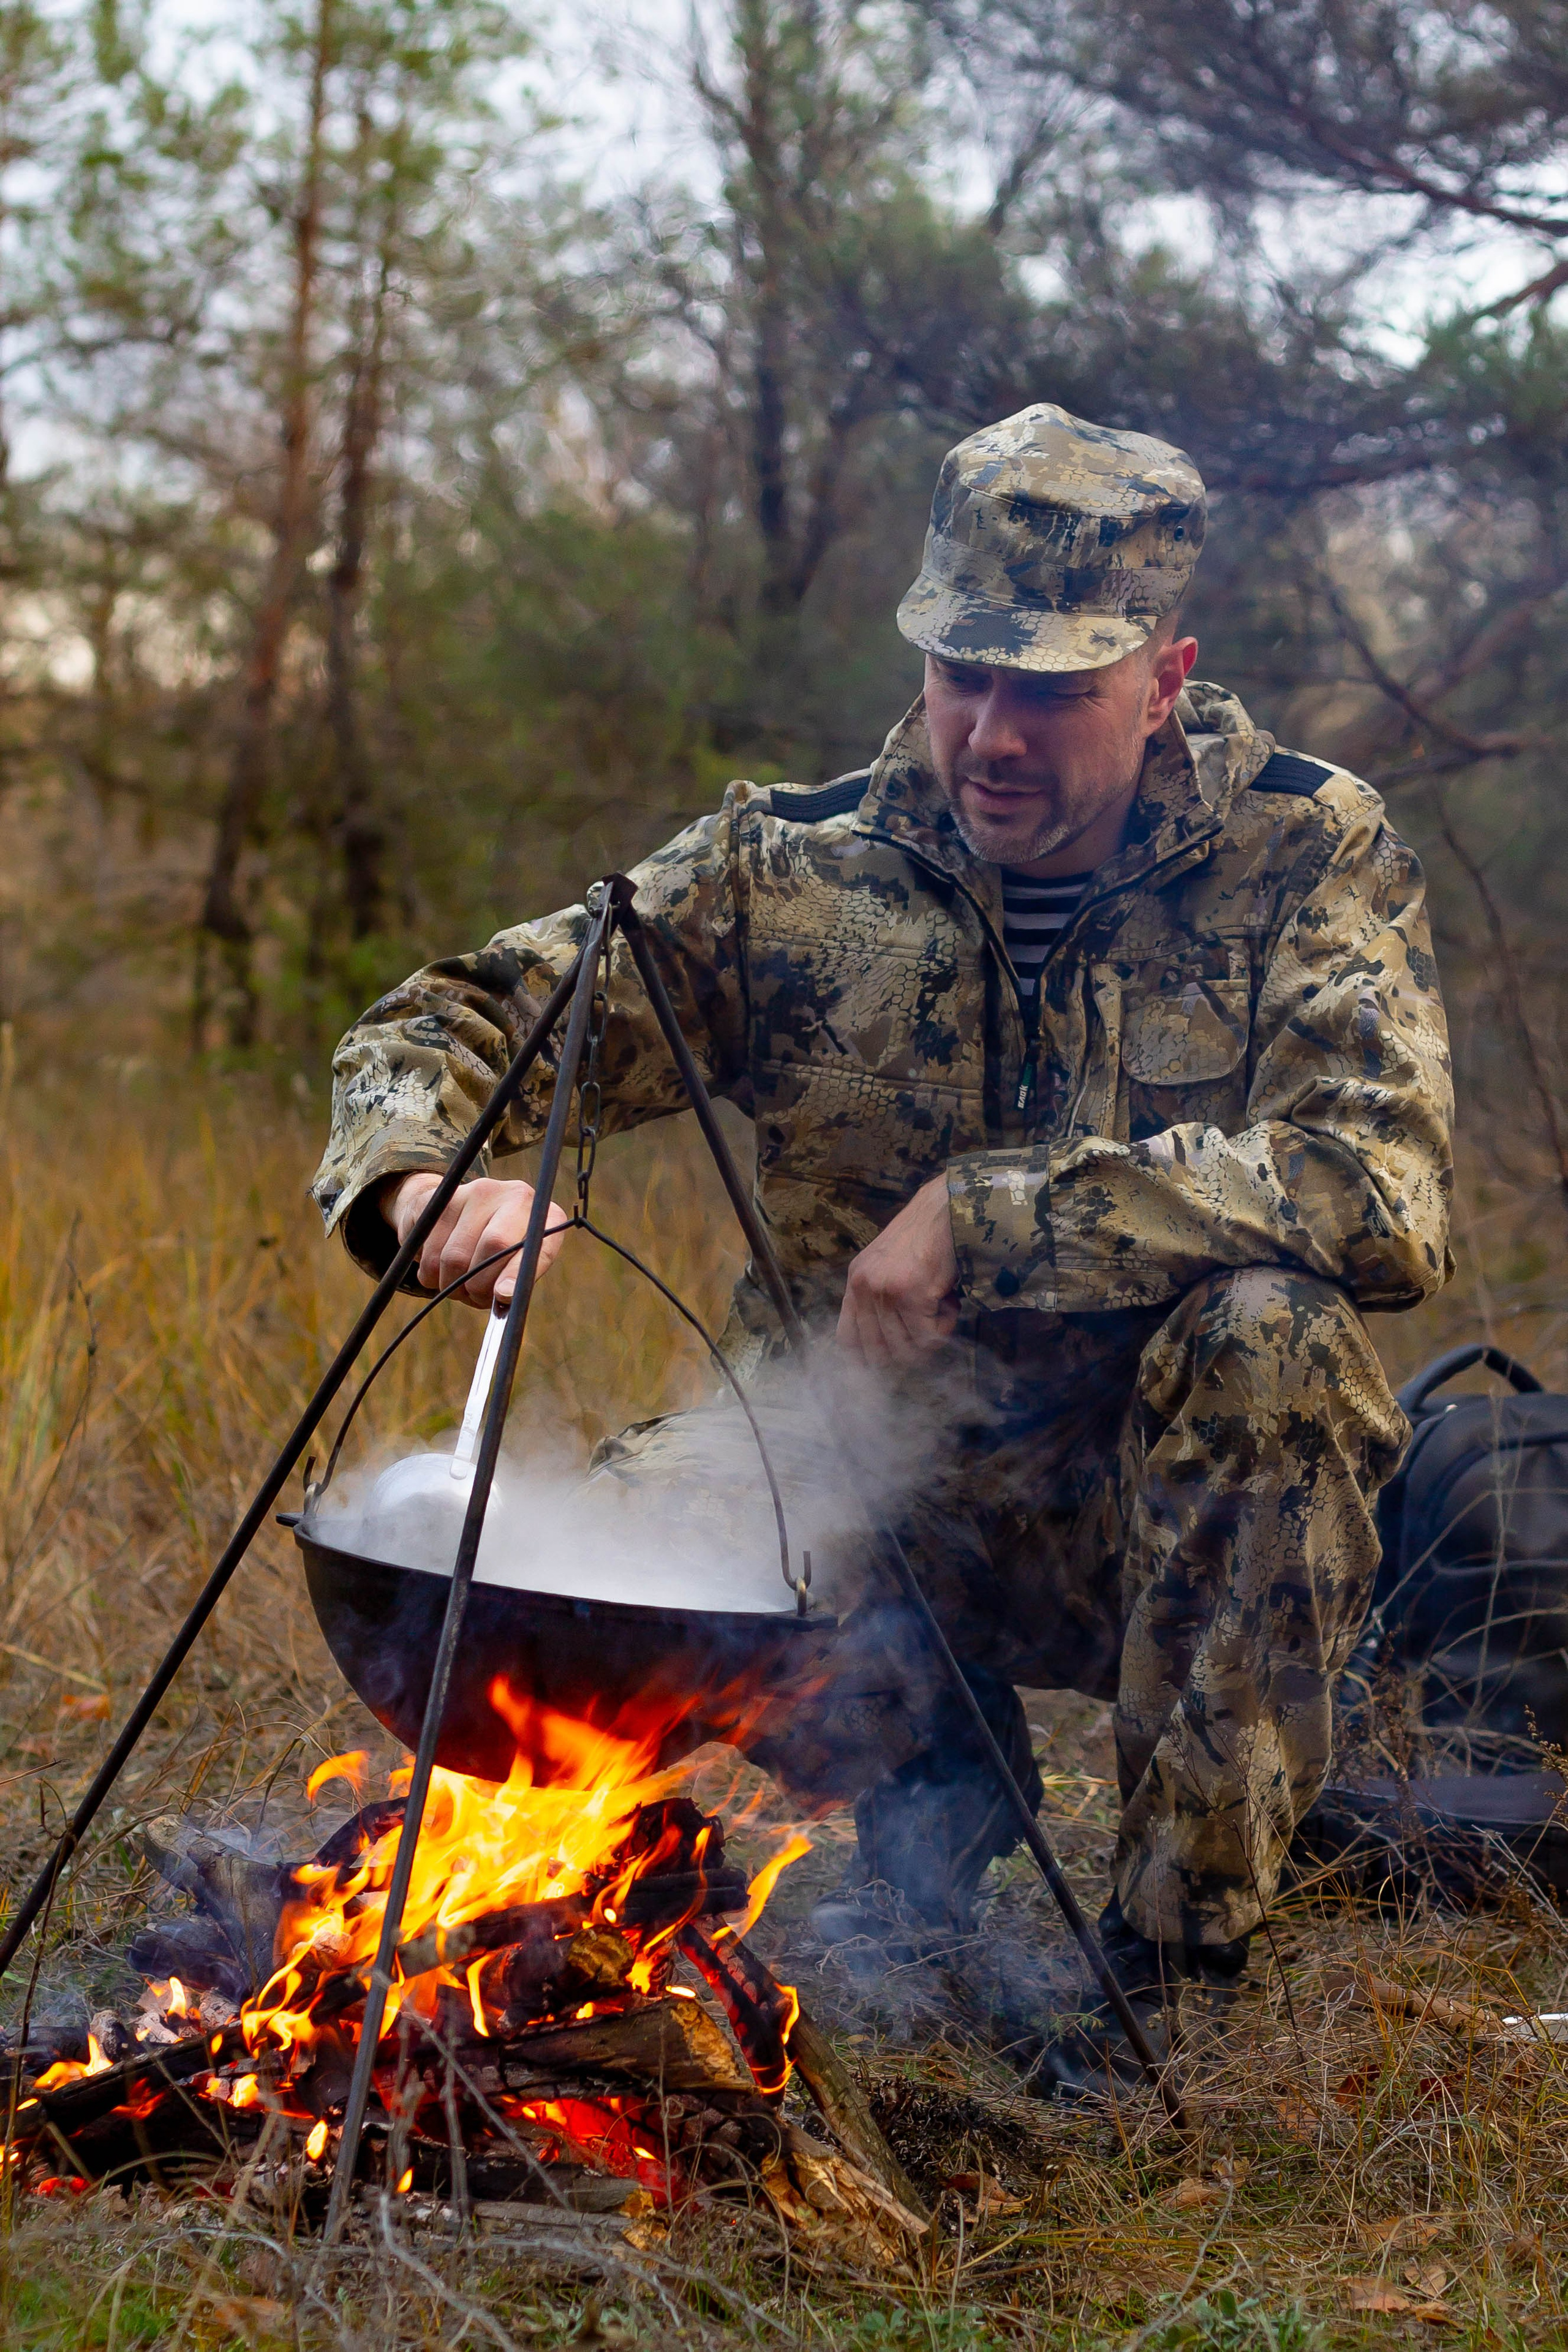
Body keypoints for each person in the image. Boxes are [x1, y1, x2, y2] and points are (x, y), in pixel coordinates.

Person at [311, 404, 1453, 2094]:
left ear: (1165, 670)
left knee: (1277, 1344)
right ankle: (922, 1758)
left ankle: (1169, 1951)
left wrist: (993, 1217)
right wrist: (422, 1189)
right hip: (852, 1477)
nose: (991, 734)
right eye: (957, 673)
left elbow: (1382, 1188)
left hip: (1159, 1498)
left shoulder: (1305, 850)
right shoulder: (794, 866)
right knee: (581, 1556)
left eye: (1053, 688)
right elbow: (461, 1021)